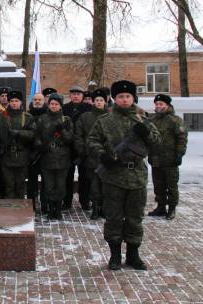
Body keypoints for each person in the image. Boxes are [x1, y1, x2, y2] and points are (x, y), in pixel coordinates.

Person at [88, 80, 161, 270]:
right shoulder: (105, 120)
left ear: (133, 98)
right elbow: (92, 141)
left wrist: (146, 133)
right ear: (114, 98)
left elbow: (157, 142)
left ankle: (133, 255)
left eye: (128, 96)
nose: (125, 100)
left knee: (135, 217)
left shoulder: (143, 118)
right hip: (113, 176)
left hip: (136, 175)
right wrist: (103, 155)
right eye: (120, 96)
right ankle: (114, 255)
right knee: (113, 216)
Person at [147, 94, 188, 220]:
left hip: (170, 159)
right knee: (158, 185)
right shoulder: (152, 120)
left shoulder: (175, 120)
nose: (159, 106)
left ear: (168, 106)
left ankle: (171, 208)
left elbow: (182, 139)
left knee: (171, 186)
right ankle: (160, 207)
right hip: (156, 159)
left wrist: (179, 154)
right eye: (157, 104)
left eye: (161, 104)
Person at [0, 91, 36, 199]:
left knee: (20, 185)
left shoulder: (27, 117)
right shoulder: (1, 117)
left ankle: (19, 211)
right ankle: (10, 210)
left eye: (16, 101)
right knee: (8, 185)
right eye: (11, 101)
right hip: (6, 156)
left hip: (22, 156)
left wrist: (19, 133)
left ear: (21, 102)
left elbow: (33, 134)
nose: (14, 103)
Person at [35, 93, 74, 220]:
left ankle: (58, 208)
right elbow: (37, 136)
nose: (54, 106)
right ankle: (51, 208)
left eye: (56, 104)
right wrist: (40, 145)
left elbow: (70, 139)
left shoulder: (66, 120)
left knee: (61, 184)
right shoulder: (42, 119)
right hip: (47, 156)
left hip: (62, 157)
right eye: (52, 103)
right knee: (49, 185)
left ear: (60, 106)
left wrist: (62, 130)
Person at [74, 89, 109, 219]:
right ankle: (94, 206)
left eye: (101, 100)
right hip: (91, 156)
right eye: (97, 100)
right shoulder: (85, 117)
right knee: (93, 183)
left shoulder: (110, 116)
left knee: (105, 183)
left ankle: (104, 207)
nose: (99, 103)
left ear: (105, 102)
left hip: (106, 156)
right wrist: (83, 150)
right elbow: (78, 135)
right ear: (93, 102)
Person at [62, 85, 92, 210]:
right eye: (73, 94)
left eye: (78, 94)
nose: (75, 96)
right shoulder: (64, 108)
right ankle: (67, 201)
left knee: (84, 176)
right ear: (70, 96)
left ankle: (84, 201)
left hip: (83, 148)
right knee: (67, 176)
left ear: (82, 96)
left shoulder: (88, 109)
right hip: (68, 148)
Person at [28, 93, 47, 209]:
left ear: (44, 101)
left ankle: (44, 203)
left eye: (40, 99)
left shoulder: (48, 115)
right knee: (32, 181)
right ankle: (32, 203)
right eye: (35, 99)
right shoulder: (28, 115)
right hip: (31, 153)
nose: (37, 101)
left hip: (45, 153)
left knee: (45, 180)